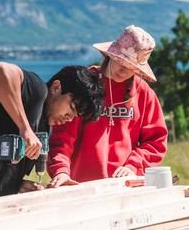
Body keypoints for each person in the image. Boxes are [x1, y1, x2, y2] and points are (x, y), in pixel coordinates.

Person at [0, 62, 104, 205]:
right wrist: (25, 128)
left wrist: (17, 186)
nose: (70, 118)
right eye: (72, 107)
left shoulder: (46, 127)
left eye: (76, 115)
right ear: (56, 87)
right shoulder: (36, 90)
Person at [47, 25, 168, 187]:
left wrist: (134, 165)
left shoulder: (143, 93)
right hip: (79, 186)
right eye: (121, 61)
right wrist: (61, 170)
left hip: (125, 187)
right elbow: (62, 138)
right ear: (111, 55)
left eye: (132, 67)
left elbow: (156, 141)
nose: (124, 70)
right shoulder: (85, 86)